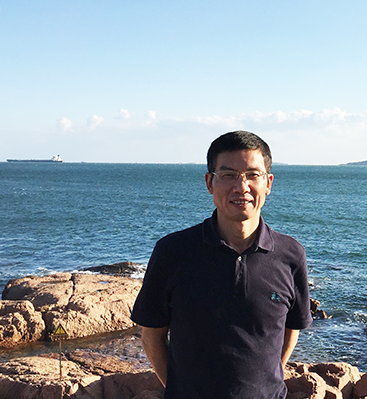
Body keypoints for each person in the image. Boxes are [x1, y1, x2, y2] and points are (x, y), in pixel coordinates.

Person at [131, 130, 313, 399]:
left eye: (253, 175)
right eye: (228, 175)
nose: (241, 187)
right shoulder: (173, 251)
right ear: (209, 182)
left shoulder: (290, 254)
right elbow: (151, 337)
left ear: (268, 183)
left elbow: (290, 330)